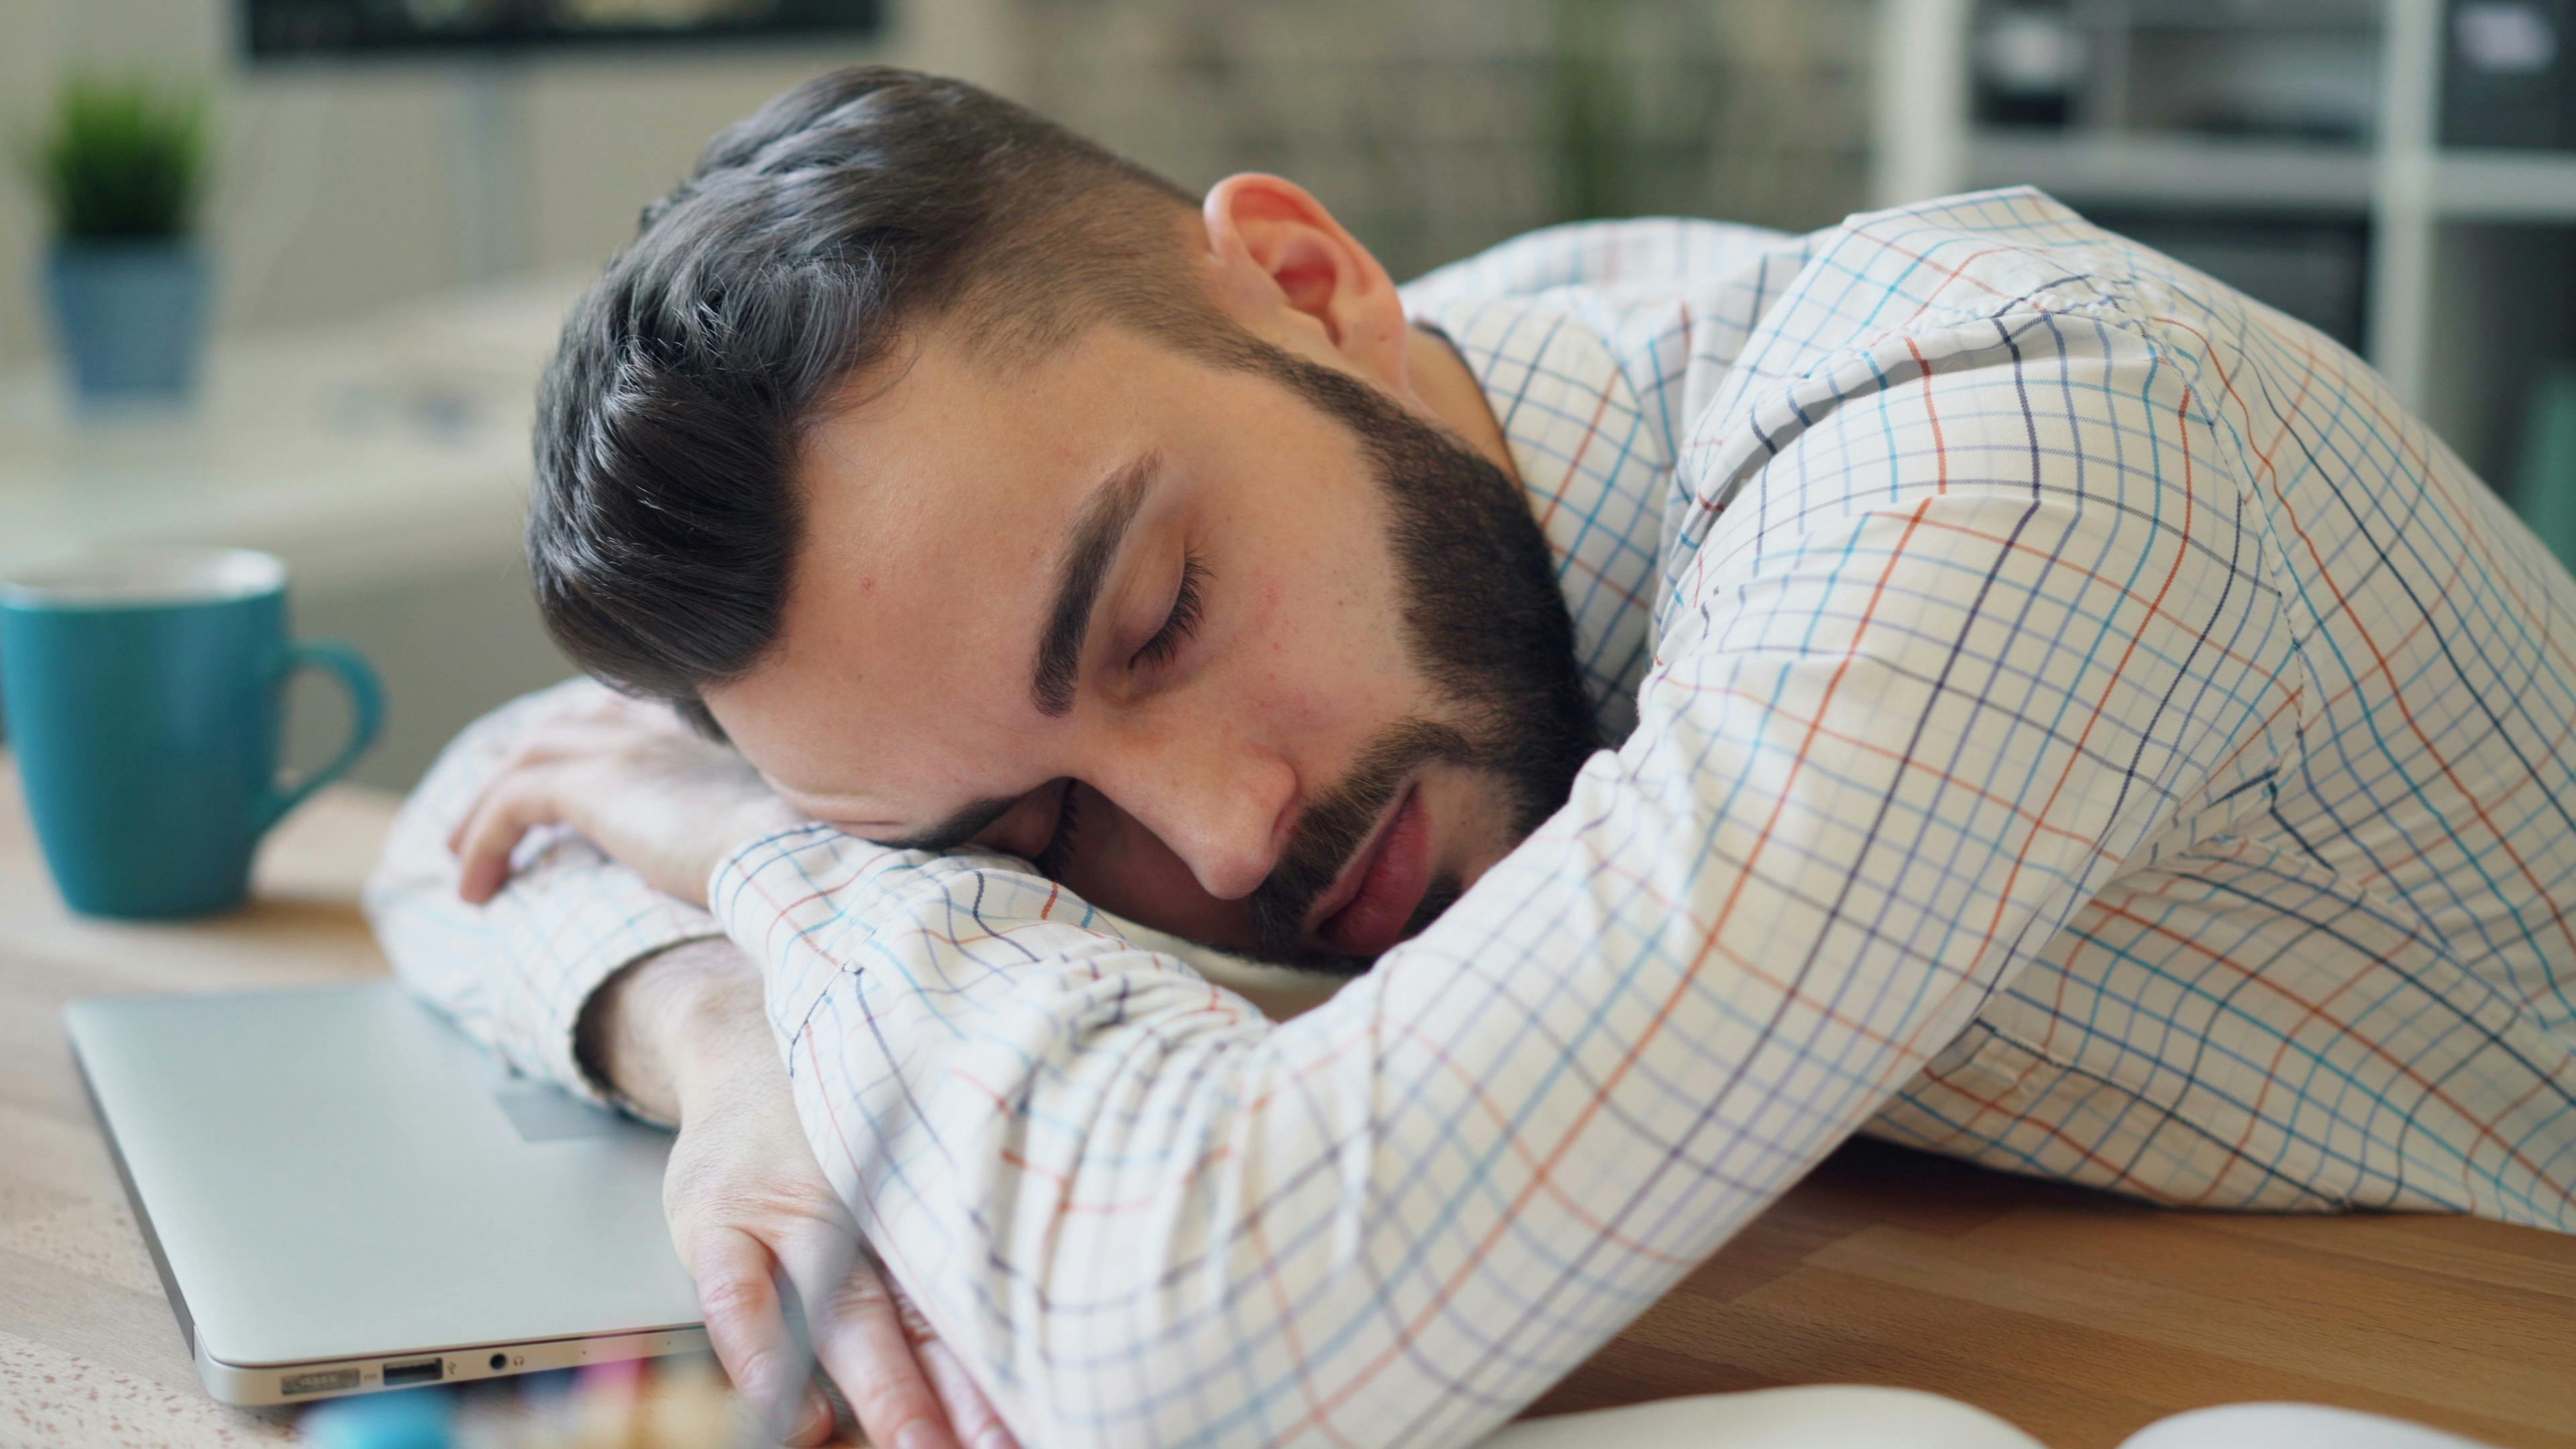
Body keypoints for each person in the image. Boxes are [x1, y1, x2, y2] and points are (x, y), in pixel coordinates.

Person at [366, 64, 2576, 1449]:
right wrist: (730, 1034)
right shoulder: (1312, 441)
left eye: (1160, 619)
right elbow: (476, 828)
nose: (1220, 840)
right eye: (1028, 826)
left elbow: (1206, 1356)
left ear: (1309, 281)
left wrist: (816, 879)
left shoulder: (2006, 453)